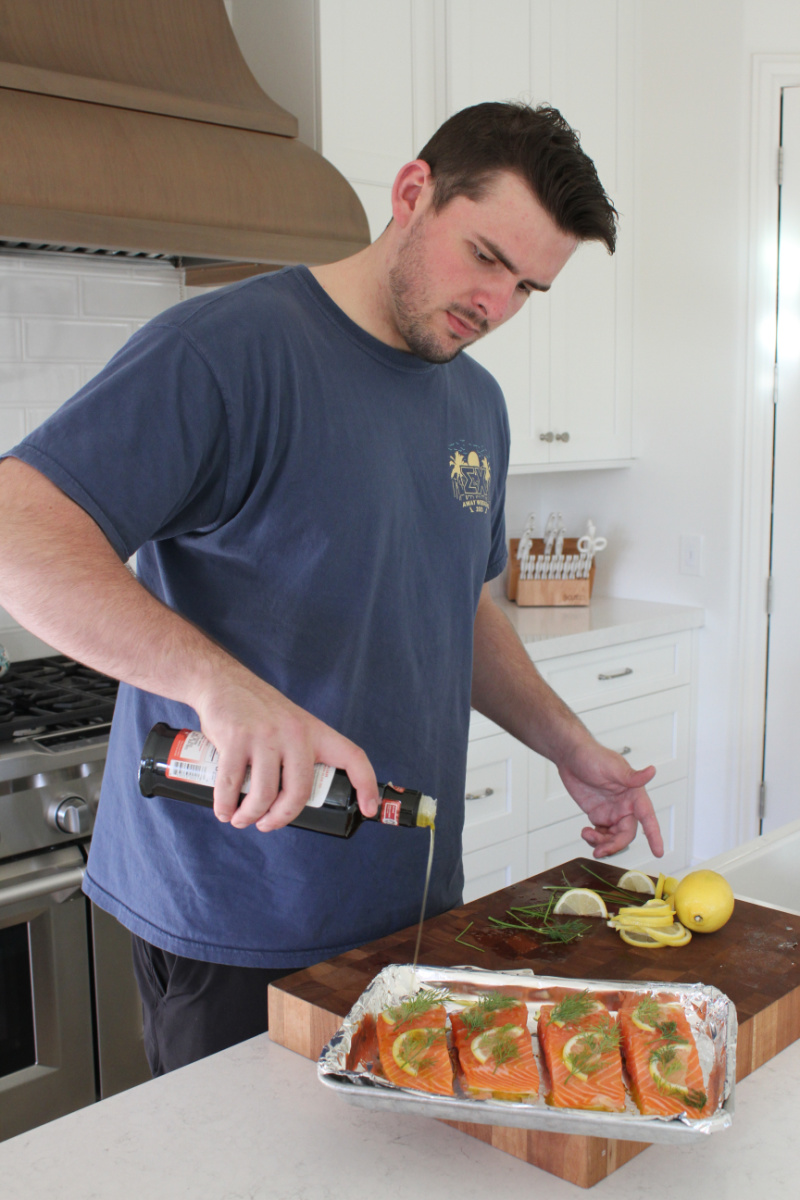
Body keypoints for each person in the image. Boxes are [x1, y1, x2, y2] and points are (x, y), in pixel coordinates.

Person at [0, 102, 661, 1075]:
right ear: (410, 194)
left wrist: (572, 747)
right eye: (483, 257)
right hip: (237, 911)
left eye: (526, 287)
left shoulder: (473, 397)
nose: (496, 305)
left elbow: (458, 607)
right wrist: (219, 686)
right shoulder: (225, 352)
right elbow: (22, 525)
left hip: (413, 900)